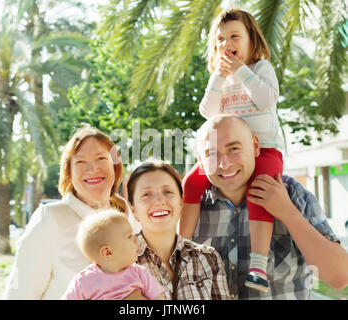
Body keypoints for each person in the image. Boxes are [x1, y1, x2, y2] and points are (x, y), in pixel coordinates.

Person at [180, 8, 284, 292]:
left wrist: (240, 71)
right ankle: (180, 250)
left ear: (251, 39)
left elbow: (265, 100)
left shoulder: (260, 69)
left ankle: (258, 264)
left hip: (264, 152)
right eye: (220, 39)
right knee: (191, 183)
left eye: (234, 36)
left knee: (259, 191)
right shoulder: (220, 78)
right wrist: (218, 77)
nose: (227, 44)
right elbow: (208, 112)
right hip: (227, 154)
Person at [191, 114, 348, 299]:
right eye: (212, 154)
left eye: (233, 148)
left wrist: (288, 213)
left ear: (255, 146)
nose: (224, 163)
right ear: (200, 160)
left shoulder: (292, 194)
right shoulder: (191, 209)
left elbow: (340, 277)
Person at [4, 124, 128, 299]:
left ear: (115, 166)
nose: (92, 169)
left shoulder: (129, 216)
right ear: (69, 172)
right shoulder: (50, 218)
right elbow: (20, 293)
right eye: (80, 162)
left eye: (101, 158)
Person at [127, 159, 231, 300]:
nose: (159, 201)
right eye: (146, 194)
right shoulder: (119, 261)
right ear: (133, 209)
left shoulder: (208, 258)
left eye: (167, 191)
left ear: (181, 202)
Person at [62, 209, 165, 300]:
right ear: (108, 252)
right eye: (129, 236)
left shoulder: (140, 273)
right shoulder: (82, 282)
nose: (136, 239)